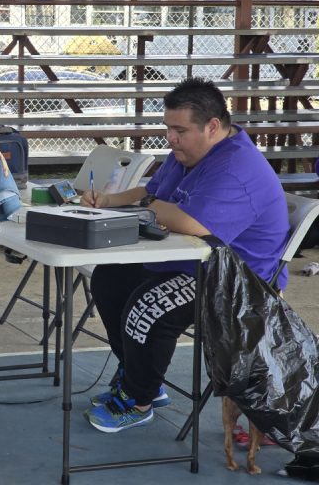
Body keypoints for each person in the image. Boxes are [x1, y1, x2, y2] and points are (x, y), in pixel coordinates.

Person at [80, 77, 289, 433]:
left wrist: (155, 207)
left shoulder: (237, 167)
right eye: (167, 128)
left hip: (236, 280)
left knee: (148, 305)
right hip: (191, 260)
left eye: (179, 130)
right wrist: (110, 200)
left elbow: (189, 222)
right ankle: (141, 378)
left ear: (211, 126)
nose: (170, 138)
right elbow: (154, 192)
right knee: (109, 277)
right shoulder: (189, 151)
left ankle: (138, 399)